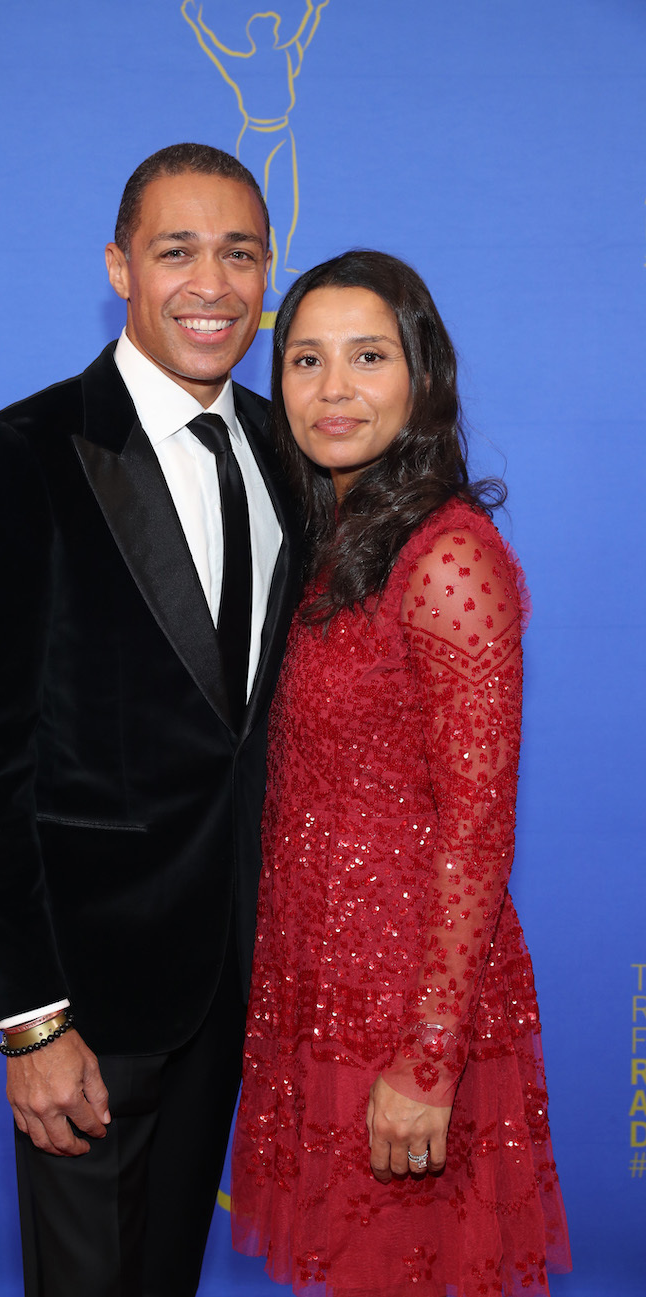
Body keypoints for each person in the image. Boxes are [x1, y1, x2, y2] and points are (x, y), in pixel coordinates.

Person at [0, 142, 301, 1297]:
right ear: (119, 268)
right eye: (174, 250)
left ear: (267, 270)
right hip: (85, 994)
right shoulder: (18, 457)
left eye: (237, 253)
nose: (210, 284)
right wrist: (31, 1022)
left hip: (236, 972)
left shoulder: (292, 451)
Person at [231, 250, 571, 1296]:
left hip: (405, 1010)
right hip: (311, 992)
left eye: (366, 356)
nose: (331, 390)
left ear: (420, 375)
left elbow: (476, 832)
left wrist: (425, 1059)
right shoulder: (324, 542)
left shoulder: (447, 556)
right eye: (303, 360)